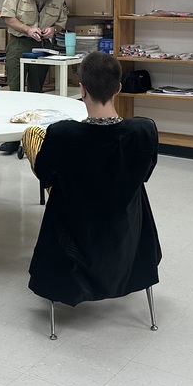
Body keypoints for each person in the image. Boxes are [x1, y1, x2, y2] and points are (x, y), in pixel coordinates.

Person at [22, 50, 161, 306]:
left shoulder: (62, 134)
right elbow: (145, 174)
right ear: (118, 88)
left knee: (32, 139)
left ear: (82, 89)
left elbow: (45, 175)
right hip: (126, 238)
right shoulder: (144, 131)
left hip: (72, 243)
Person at [0, 0, 68, 153]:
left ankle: (35, 138)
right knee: (16, 90)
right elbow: (7, 17)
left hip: (42, 48)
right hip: (19, 43)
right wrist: (27, 29)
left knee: (37, 91)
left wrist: (54, 29)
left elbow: (62, 21)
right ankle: (12, 138)